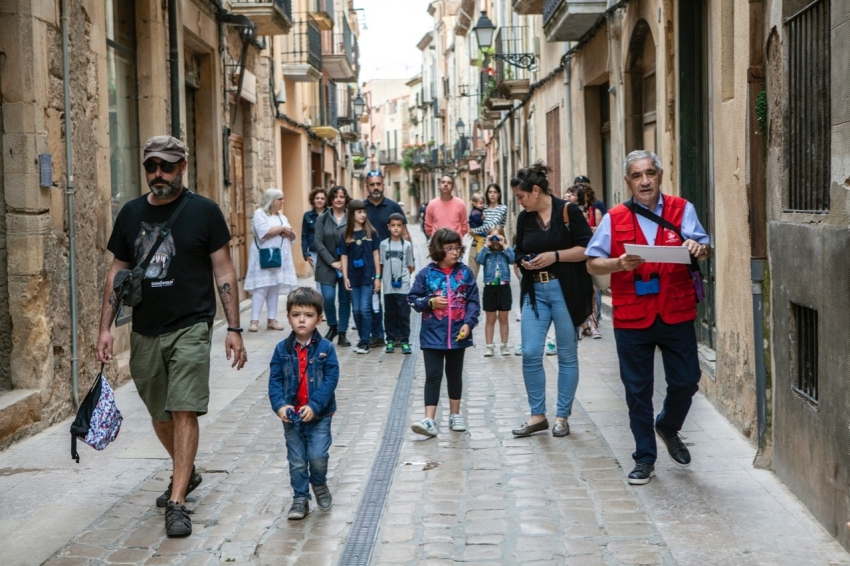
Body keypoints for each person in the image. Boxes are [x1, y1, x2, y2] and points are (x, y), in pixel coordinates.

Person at [96, 135, 247, 538]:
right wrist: (104, 328)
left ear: (182, 167)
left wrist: (233, 329)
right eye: (151, 167)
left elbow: (225, 271)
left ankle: (177, 502)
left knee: (184, 409)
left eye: (165, 166)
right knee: (160, 413)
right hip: (145, 329)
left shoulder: (205, 212)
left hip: (192, 325)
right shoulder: (130, 214)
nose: (157, 174)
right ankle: (188, 471)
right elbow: (117, 272)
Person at [585, 150, 711, 485]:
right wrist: (617, 264)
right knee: (637, 391)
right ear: (627, 181)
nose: (645, 181)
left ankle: (668, 426)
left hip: (676, 310)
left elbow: (702, 245)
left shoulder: (682, 209)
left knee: (686, 380)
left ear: (660, 175)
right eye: (637, 175)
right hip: (632, 316)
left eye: (650, 173)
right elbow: (592, 263)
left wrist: (699, 248)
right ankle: (644, 458)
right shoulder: (613, 218)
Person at [511, 162, 594, 440]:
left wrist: (554, 256)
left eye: (521, 197)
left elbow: (586, 249)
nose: (519, 202)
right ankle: (537, 416)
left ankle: (562, 416)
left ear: (535, 191)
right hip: (535, 292)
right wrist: (523, 260)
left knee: (566, 355)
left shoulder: (568, 211)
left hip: (565, 290)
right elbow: (518, 250)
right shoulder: (525, 218)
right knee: (531, 352)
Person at [268, 287, 340, 520]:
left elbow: (330, 380)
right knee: (297, 460)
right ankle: (300, 498)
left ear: (319, 318)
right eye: (296, 314)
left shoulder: (326, 349)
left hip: (319, 416)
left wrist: (315, 405)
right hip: (292, 417)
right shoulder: (281, 349)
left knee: (318, 456)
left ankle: (319, 483)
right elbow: (275, 381)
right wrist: (280, 406)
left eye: (308, 315)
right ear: (288, 316)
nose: (302, 320)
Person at [408, 228, 480, 437]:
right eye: (449, 248)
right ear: (439, 249)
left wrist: (469, 323)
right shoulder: (426, 274)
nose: (455, 252)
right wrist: (430, 302)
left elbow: (473, 301)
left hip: (459, 335)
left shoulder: (465, 273)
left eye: (457, 247)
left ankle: (455, 414)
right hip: (432, 336)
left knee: (454, 375)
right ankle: (429, 419)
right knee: (433, 375)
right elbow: (413, 299)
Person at [364, 171, 410, 349]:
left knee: (396, 300)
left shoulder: (393, 207)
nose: (375, 187)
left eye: (378, 184)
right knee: (374, 299)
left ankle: (398, 335)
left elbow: (405, 233)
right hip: (370, 261)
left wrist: (409, 262)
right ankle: (377, 334)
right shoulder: (362, 208)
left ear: (383, 184)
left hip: (394, 262)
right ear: (367, 186)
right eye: (372, 184)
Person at [245, 188, 298, 332]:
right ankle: (254, 321)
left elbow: (292, 237)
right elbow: (264, 233)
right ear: (271, 200)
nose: (282, 202)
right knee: (261, 289)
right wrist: (282, 229)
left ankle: (272, 320)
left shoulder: (282, 217)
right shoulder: (259, 214)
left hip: (279, 257)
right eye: (280, 199)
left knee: (274, 288)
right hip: (264, 256)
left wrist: (287, 232)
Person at [340, 199, 381, 354]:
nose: (363, 214)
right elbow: (343, 256)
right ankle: (362, 338)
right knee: (356, 310)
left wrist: (378, 276)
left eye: (364, 211)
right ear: (352, 214)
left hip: (368, 277)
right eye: (359, 212)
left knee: (365, 308)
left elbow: (376, 254)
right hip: (353, 276)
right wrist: (345, 277)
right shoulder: (346, 234)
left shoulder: (372, 232)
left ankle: (365, 341)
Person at [314, 186, 352, 347]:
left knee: (344, 300)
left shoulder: (351, 217)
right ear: (331, 199)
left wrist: (343, 263)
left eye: (342, 196)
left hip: (346, 266)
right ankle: (333, 326)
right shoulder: (322, 218)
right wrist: (333, 262)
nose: (338, 199)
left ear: (345, 199)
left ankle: (342, 333)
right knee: (328, 298)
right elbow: (318, 242)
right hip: (326, 265)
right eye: (335, 196)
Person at [380, 213, 415, 354]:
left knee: (404, 314)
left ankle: (405, 340)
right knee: (389, 314)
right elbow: (381, 264)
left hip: (403, 286)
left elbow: (410, 266)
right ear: (388, 227)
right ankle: (390, 339)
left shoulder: (407, 245)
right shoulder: (383, 244)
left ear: (403, 227)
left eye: (399, 226)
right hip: (388, 286)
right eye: (393, 225)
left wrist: (404, 279)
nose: (396, 228)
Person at [476, 226, 514, 356]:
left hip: (504, 287)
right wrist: (486, 245)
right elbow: (479, 260)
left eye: (498, 237)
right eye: (492, 237)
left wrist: (505, 245)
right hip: (490, 287)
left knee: (504, 318)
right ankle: (489, 346)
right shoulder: (486, 252)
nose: (495, 240)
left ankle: (504, 345)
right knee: (490, 319)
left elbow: (513, 260)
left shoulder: (505, 251)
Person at [302, 187, 328, 277]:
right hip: (314, 252)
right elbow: (304, 235)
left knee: (329, 279)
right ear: (313, 200)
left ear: (326, 200)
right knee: (319, 278)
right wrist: (305, 253)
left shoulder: (331, 214)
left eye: (322, 198)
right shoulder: (307, 215)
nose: (319, 200)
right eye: (317, 198)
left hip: (329, 251)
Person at [466, 192, 486, 277]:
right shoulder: (476, 212)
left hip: (477, 231)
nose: (482, 205)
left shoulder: (478, 211)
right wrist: (482, 218)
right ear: (474, 203)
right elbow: (478, 221)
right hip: (477, 231)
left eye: (482, 203)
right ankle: (479, 252)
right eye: (480, 203)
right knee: (480, 240)